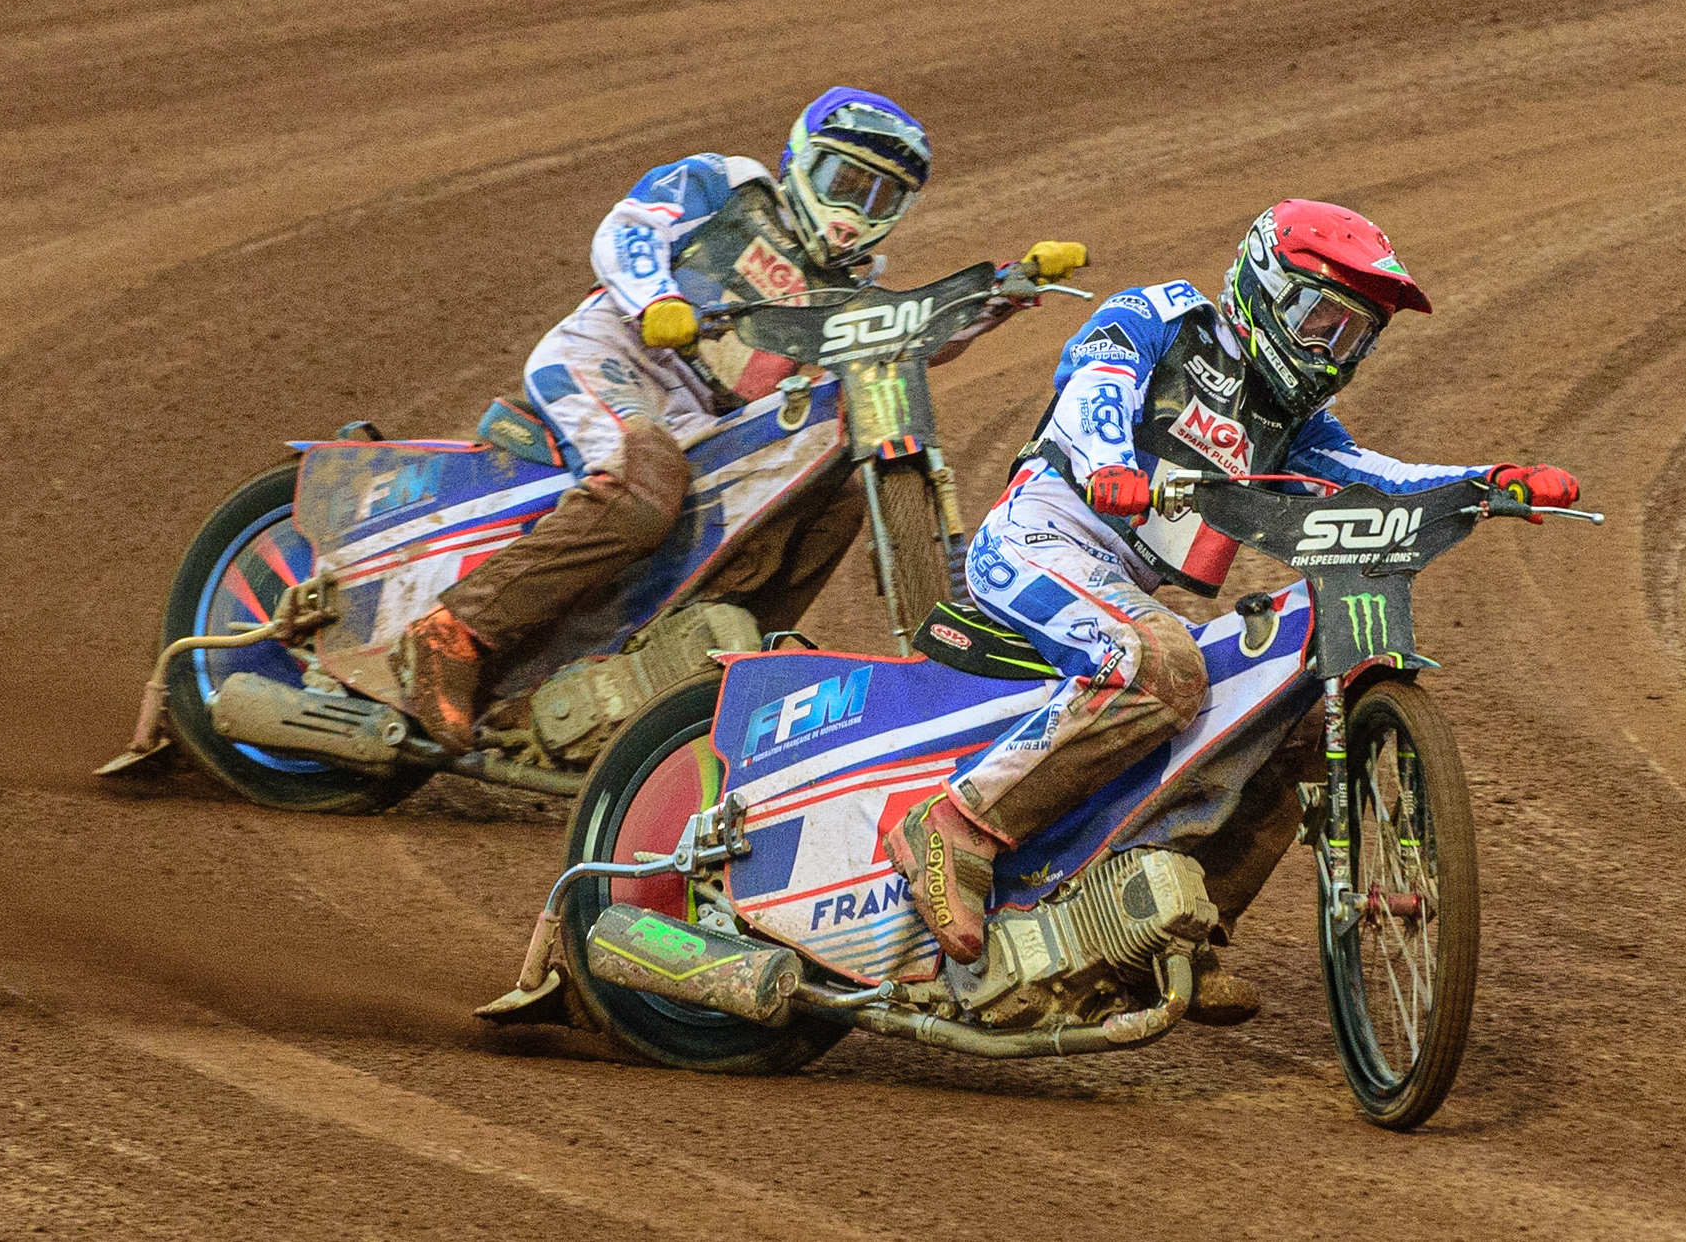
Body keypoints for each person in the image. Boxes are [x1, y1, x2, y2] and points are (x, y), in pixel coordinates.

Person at [884, 199, 1580, 979]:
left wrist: (1485, 483)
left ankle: (1182, 930)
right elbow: (1096, 384)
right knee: (1162, 664)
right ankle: (954, 825)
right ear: (1267, 288)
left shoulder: (1296, 423)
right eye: (1324, 320)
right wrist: (1111, 465)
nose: (1335, 350)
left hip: (1116, 581)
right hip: (1040, 537)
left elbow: (1373, 477)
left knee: (1299, 711)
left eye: (1356, 335)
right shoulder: (1164, 318)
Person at [392, 87, 1088, 750]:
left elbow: (907, 338)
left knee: (833, 497)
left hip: (701, 416)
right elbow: (628, 230)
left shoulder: (851, 286)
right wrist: (655, 300)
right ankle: (457, 630)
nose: (857, 206)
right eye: (845, 179)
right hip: (612, 357)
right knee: (647, 482)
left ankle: (690, 675)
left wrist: (1005, 290)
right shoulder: (727, 186)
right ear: (801, 162)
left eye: (881, 195)